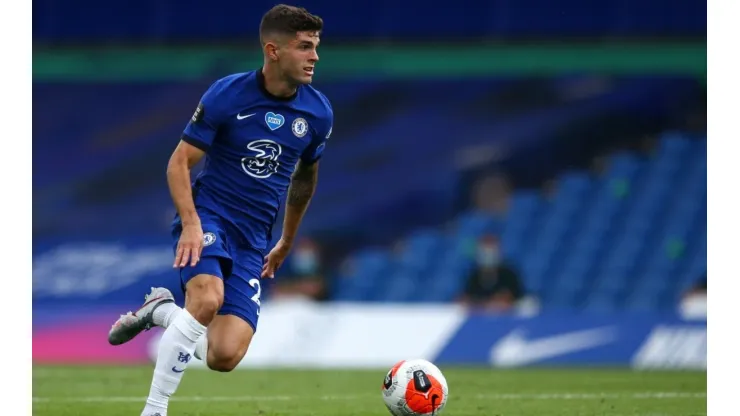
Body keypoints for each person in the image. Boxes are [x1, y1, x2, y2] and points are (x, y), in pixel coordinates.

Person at [105, 5, 332, 415]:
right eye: (304, 47)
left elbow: (304, 180)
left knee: (223, 355)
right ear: (273, 50)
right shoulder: (228, 94)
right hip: (210, 217)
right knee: (207, 298)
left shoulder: (318, 113)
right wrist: (191, 223)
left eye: (315, 47)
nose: (314, 56)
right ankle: (154, 410)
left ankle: (161, 311)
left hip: (254, 238)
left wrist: (286, 240)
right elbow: (179, 163)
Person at [458, 234, 524, 311]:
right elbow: (466, 298)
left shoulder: (509, 274)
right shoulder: (473, 275)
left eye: (491, 250)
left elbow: (516, 298)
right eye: (485, 250)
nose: (488, 254)